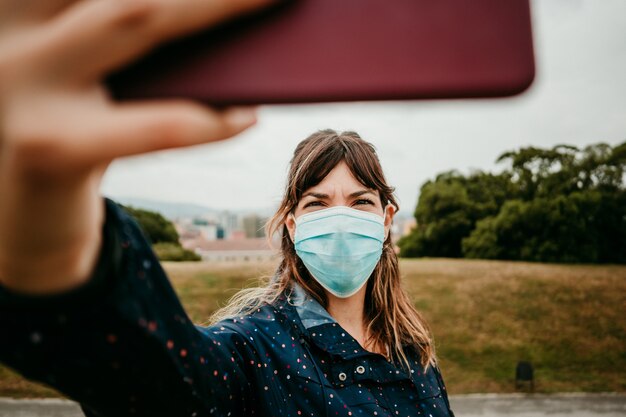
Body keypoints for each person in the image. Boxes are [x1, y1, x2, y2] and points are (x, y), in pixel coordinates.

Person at [0, 1, 455, 416]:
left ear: (387, 220)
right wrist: (46, 237)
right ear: (292, 226)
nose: (341, 217)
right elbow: (152, 381)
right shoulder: (253, 351)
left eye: (360, 202)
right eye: (318, 203)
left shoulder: (414, 353)